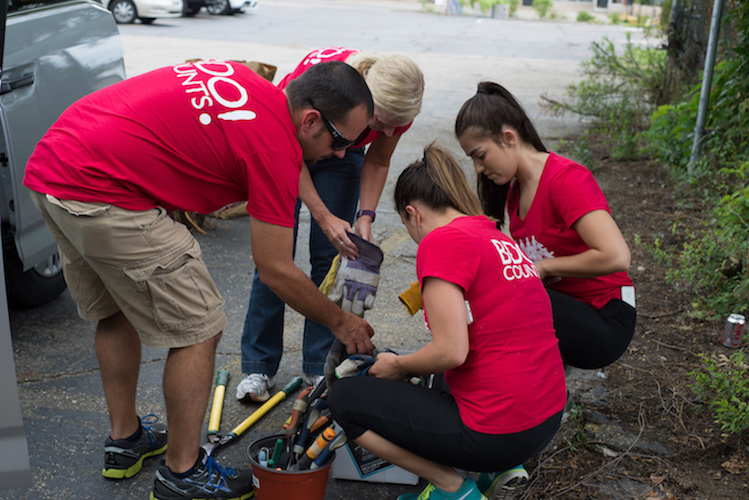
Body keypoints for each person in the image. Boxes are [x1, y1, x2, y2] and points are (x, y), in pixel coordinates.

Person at [23, 59, 375, 500]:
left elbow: (281, 153)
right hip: (104, 192)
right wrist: (341, 322)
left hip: (55, 167)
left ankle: (126, 440)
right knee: (200, 325)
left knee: (115, 307)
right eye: (342, 140)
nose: (344, 154)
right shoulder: (272, 152)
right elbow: (276, 270)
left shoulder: (253, 85)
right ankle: (182, 473)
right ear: (310, 120)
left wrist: (322, 215)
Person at [327, 144, 567, 500]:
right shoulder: (496, 237)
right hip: (544, 420)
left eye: (407, 225)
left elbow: (453, 351)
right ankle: (498, 471)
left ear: (413, 214)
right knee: (433, 373)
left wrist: (397, 365)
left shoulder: (441, 242)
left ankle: (451, 488)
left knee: (344, 400)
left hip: (498, 431)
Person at [237, 47, 424, 402]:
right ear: (365, 97)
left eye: (393, 126)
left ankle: (318, 363)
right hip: (289, 144)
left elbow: (378, 160)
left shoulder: (397, 110)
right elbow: (288, 154)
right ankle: (259, 365)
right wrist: (324, 217)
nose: (385, 130)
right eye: (380, 121)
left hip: (344, 152)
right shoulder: (319, 86)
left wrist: (364, 216)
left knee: (333, 257)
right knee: (275, 260)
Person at [455, 82, 637, 370]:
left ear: (508, 137)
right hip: (564, 312)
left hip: (605, 317)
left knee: (507, 295)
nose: (478, 168)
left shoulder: (565, 179)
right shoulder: (515, 191)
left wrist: (544, 268)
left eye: (480, 155)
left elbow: (617, 256)